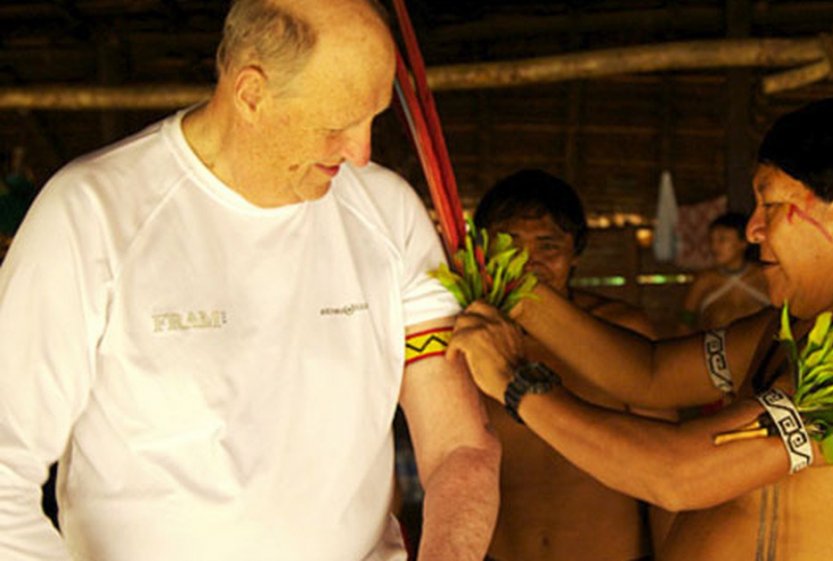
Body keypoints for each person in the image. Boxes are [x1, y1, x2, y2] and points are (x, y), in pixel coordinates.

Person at [0, 1, 500, 560]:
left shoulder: (388, 214)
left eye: (373, 118)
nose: (361, 153)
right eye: (336, 124)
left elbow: (458, 446)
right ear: (252, 94)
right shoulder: (94, 214)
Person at [450, 98, 833, 561]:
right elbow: (649, 373)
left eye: (771, 205)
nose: (753, 228)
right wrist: (521, 291)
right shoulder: (785, 332)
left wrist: (515, 383)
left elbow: (678, 474)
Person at [473, 169, 673, 561]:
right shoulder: (469, 341)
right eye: (509, 243)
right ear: (484, 251)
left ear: (576, 250)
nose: (528, 261)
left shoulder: (621, 332)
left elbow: (667, 467)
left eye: (547, 245)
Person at [681, 212, 769, 332]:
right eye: (712, 240)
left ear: (743, 243)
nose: (714, 246)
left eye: (722, 240)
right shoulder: (704, 281)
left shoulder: (764, 276)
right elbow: (685, 322)